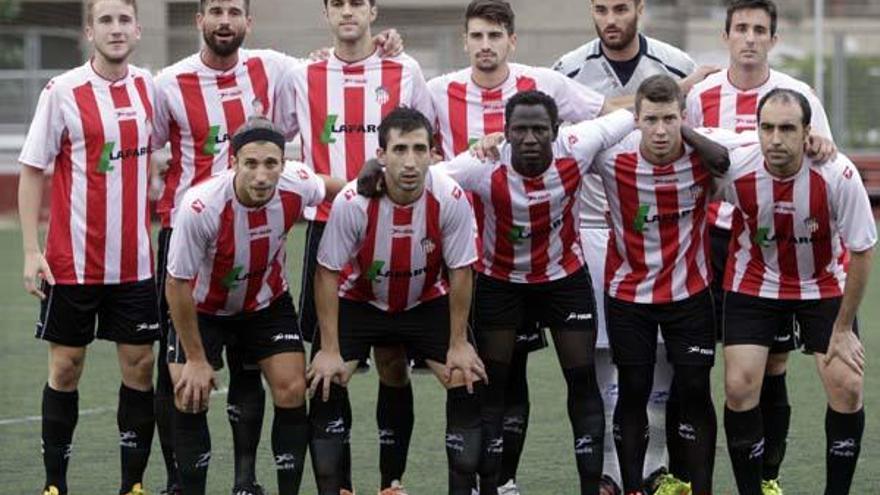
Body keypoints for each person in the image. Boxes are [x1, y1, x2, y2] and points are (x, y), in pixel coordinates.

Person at [152, 1, 403, 492]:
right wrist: (198, 358)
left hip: (262, 280)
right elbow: (177, 285)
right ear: (198, 20)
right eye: (215, 11)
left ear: (249, 20)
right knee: (184, 382)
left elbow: (334, 178)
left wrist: (376, 179)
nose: (225, 21)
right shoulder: (172, 98)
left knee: (283, 381)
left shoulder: (279, 79)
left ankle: (254, 483)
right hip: (197, 270)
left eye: (235, 11)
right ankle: (182, 484)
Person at [437, 90, 636, 495]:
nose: (530, 138)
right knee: (495, 388)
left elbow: (631, 116)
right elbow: (426, 177)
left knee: (582, 383)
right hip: (500, 282)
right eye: (520, 130)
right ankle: (493, 486)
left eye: (539, 130)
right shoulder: (483, 164)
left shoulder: (578, 145)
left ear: (556, 131)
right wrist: (373, 170)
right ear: (505, 134)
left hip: (564, 281)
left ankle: (589, 487)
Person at [281, 0, 435, 491]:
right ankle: (341, 485)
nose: (348, 12)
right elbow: (271, 140)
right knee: (329, 365)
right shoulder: (301, 74)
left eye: (357, 3)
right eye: (338, 4)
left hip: (393, 227)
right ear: (327, 12)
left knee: (392, 360)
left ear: (373, 11)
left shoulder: (404, 68)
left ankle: (392, 482)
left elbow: (429, 140)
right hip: (330, 230)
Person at [552, 1, 704, 491]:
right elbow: (564, 145)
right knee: (606, 363)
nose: (611, 17)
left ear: (639, 8)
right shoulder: (568, 69)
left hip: (664, 232)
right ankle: (613, 475)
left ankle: (655, 466)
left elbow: (693, 142)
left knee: (660, 364)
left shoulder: (677, 66)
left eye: (621, 7)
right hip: (594, 229)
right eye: (601, 8)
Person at [686, 2, 836, 491]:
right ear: (725, 35)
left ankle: (766, 477)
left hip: (770, 244)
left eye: (759, 31)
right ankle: (685, 477)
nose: (749, 39)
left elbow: (823, 159)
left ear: (773, 38)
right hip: (708, 240)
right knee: (695, 362)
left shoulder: (798, 95)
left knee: (771, 364)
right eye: (741, 29)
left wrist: (822, 146)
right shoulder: (703, 93)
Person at [308, 106, 486, 495]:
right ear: (381, 155)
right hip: (361, 301)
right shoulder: (354, 201)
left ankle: (398, 484)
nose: (410, 161)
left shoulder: (451, 197)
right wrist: (329, 348)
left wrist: (458, 343)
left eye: (419, 149)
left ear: (434, 154)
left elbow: (460, 271)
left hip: (424, 301)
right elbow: (327, 272)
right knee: (326, 379)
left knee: (466, 378)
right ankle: (339, 488)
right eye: (400, 149)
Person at [18, 1, 158, 494]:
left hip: (136, 263)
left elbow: (162, 148)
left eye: (123, 20)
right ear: (88, 31)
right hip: (72, 263)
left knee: (140, 368)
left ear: (137, 30)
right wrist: (32, 252)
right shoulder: (62, 91)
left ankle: (133, 486)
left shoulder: (149, 87)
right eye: (106, 20)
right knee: (65, 367)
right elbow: (33, 169)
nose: (115, 29)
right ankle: (55, 485)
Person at [164, 116, 343, 495]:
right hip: (203, 308)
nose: (262, 176)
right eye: (251, 164)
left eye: (271, 164)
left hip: (265, 302)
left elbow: (336, 190)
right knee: (188, 392)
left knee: (293, 389)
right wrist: (196, 359)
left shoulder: (295, 182)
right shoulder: (200, 208)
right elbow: (177, 285)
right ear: (233, 163)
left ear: (283, 163)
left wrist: (378, 187)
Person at [717, 89, 875, 495]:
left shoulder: (838, 174)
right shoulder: (736, 166)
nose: (774, 139)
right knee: (739, 386)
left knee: (848, 385)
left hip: (822, 283)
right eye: (766, 127)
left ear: (808, 132)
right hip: (755, 280)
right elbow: (682, 138)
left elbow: (861, 250)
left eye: (787, 128)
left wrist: (842, 330)